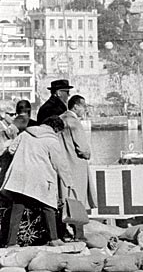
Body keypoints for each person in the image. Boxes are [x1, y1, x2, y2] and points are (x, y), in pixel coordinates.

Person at [1, 116, 74, 247]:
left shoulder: (25, 134)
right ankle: (54, 239)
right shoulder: (52, 141)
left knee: (17, 208)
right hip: (40, 177)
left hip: (20, 176)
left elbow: (11, 149)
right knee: (48, 206)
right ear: (56, 129)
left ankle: (11, 243)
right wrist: (68, 182)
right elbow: (59, 164)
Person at [60, 95, 96, 241]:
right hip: (76, 164)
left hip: (62, 164)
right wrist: (88, 154)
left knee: (65, 198)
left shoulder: (60, 119)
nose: (85, 110)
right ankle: (79, 234)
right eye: (84, 106)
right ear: (75, 106)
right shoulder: (74, 122)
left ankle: (63, 232)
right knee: (78, 199)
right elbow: (83, 148)